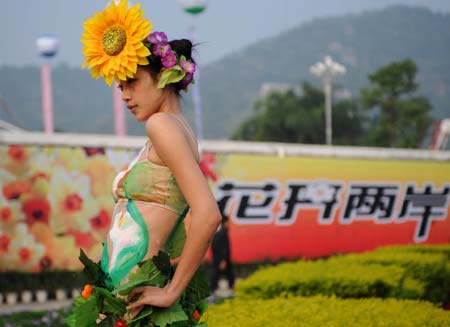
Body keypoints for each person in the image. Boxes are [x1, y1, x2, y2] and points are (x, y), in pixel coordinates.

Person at [79, 0, 221, 324]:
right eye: (121, 86)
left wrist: (170, 291)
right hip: (129, 293)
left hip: (135, 299)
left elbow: (208, 215)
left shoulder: (161, 126)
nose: (125, 95)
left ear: (163, 76)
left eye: (133, 83)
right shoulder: (178, 129)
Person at [210, 215, 235, 294]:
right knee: (219, 273)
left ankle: (213, 288)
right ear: (225, 223)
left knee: (218, 273)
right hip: (222, 258)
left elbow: (213, 247)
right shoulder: (223, 233)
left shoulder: (217, 233)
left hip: (217, 258)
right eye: (228, 222)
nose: (229, 224)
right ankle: (212, 288)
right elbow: (224, 248)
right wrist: (223, 260)